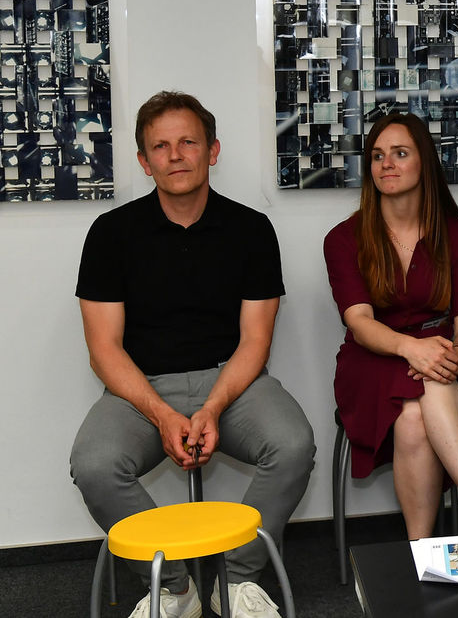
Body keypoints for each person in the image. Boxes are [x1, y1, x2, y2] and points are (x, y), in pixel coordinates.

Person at [70, 91, 315, 618]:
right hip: (141, 387)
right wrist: (160, 414)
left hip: (233, 380)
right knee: (94, 464)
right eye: (160, 146)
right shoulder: (110, 234)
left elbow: (255, 341)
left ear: (213, 150)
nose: (175, 155)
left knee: (293, 444)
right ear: (144, 161)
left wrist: (213, 408)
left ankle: (236, 580)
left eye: (188, 142)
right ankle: (174, 585)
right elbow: (103, 349)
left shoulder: (252, 230)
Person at [323, 112, 458, 537]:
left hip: (440, 358)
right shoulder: (343, 238)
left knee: (415, 414)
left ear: (424, 163)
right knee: (426, 377)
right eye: (377, 156)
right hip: (370, 359)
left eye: (399, 153)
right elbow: (359, 323)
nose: (386, 164)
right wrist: (413, 348)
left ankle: (421, 549)